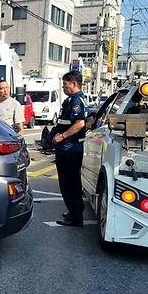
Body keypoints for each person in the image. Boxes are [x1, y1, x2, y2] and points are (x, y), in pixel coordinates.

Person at [52, 70, 88, 227]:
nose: (63, 87)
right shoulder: (78, 99)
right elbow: (89, 119)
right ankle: (74, 212)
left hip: (69, 148)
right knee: (71, 183)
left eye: (65, 84)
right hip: (69, 148)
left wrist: (62, 136)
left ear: (74, 84)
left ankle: (75, 217)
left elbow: (80, 123)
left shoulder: (75, 101)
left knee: (69, 184)